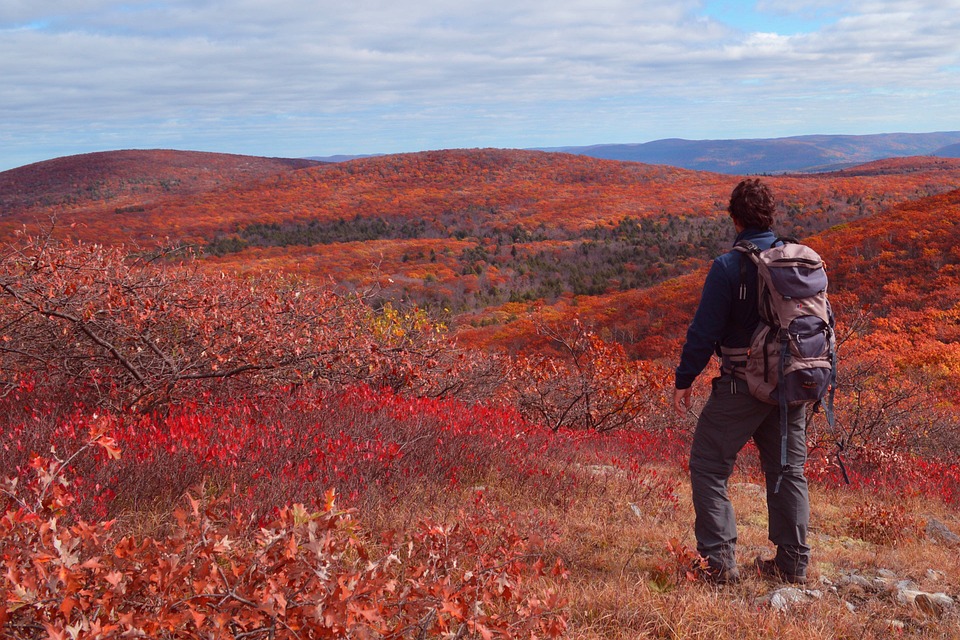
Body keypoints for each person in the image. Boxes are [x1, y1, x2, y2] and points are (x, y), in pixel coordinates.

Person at [672, 178, 809, 585]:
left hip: (741, 386)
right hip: (793, 385)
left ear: (735, 218)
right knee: (788, 471)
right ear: (771, 216)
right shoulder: (799, 261)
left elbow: (703, 331)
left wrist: (684, 378)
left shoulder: (728, 266)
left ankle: (717, 566)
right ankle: (793, 565)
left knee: (709, 467)